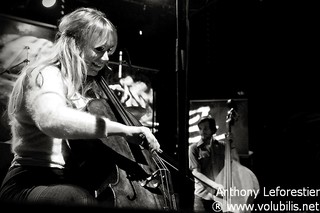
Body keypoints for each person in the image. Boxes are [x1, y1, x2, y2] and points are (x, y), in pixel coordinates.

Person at [0, 7, 161, 207]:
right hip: (29, 183)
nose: (105, 59)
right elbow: (52, 120)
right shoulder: (46, 73)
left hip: (69, 183)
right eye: (99, 49)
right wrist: (124, 130)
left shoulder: (84, 93)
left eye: (109, 51)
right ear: (75, 44)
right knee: (81, 200)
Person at [189, 116, 239, 212]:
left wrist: (231, 144)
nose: (202, 131)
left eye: (206, 128)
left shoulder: (223, 146)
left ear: (213, 130)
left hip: (219, 198)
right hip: (202, 198)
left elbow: (236, 162)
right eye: (200, 129)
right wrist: (216, 185)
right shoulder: (193, 148)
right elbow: (196, 172)